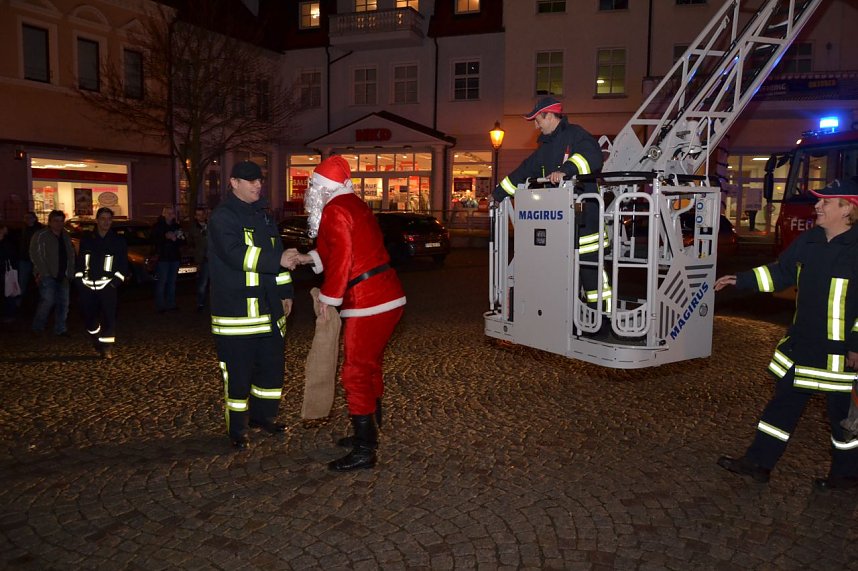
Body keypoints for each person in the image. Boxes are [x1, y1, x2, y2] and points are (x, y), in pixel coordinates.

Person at [715, 176, 858, 491]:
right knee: (781, 408)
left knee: (844, 422)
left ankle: (847, 475)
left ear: (847, 209)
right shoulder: (810, 241)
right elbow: (779, 273)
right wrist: (740, 280)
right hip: (805, 346)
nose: (817, 207)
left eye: (824, 202)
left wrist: (856, 346)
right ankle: (758, 464)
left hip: (841, 358)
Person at [284, 155, 406, 472]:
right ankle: (371, 431)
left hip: (369, 300)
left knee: (354, 371)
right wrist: (306, 257)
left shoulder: (335, 210)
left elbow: (342, 258)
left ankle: (366, 449)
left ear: (322, 189)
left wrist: (329, 299)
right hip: (387, 295)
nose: (310, 191)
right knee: (369, 366)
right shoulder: (353, 204)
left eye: (313, 186)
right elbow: (335, 250)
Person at [491, 96, 610, 317]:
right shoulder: (545, 148)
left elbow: (592, 157)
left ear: (550, 115)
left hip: (586, 223)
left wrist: (567, 170)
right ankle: (567, 318)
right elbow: (523, 172)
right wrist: (498, 194)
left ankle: (601, 318)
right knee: (560, 273)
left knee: (591, 272)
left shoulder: (576, 135)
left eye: (538, 120)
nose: (536, 126)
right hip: (560, 223)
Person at [208, 160, 295, 450]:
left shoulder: (264, 215)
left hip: (269, 311)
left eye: (259, 179)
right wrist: (277, 261)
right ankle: (237, 428)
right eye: (251, 180)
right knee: (238, 375)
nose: (258, 184)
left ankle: (264, 417)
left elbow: (278, 255)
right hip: (237, 314)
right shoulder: (222, 217)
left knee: (271, 371)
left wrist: (286, 292)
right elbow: (235, 255)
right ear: (234, 183)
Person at [73, 207, 128, 359]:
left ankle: (107, 348)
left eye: (109, 219)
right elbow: (80, 261)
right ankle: (95, 336)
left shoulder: (118, 241)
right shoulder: (87, 239)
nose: (106, 222)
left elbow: (123, 265)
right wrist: (79, 281)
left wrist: (114, 283)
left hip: (107, 287)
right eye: (103, 219)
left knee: (109, 318)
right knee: (88, 317)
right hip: (87, 286)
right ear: (97, 220)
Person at [30, 209, 75, 336]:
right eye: (56, 221)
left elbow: (70, 254)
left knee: (64, 303)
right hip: (47, 275)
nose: (59, 224)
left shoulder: (65, 235)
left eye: (61, 221)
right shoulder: (41, 235)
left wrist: (70, 272)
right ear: (50, 222)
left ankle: (60, 328)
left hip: (63, 275)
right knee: (47, 301)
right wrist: (43, 272)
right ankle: (38, 326)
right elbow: (35, 254)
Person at [151, 206, 185, 312]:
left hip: (174, 257)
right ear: (164, 214)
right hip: (163, 258)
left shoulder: (176, 226)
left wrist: (175, 239)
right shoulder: (158, 226)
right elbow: (153, 240)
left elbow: (184, 241)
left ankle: (171, 304)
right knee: (162, 282)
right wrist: (165, 237)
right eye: (168, 213)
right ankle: (160, 305)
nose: (170, 215)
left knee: (172, 282)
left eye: (172, 213)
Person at [17, 211, 43, 306]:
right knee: (22, 281)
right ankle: (18, 303)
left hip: (36, 259)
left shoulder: (39, 229)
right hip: (25, 258)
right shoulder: (23, 229)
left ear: (34, 218)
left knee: (40, 281)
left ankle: (42, 302)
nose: (27, 220)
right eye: (25, 218)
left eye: (29, 218)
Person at [189, 207, 210, 310]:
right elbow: (191, 244)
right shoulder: (194, 228)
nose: (200, 217)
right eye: (198, 215)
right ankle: (200, 303)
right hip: (203, 259)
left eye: (202, 214)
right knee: (203, 283)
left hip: (213, 258)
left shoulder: (210, 225)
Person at [0, 223, 19, 323]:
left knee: (8, 292)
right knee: (7, 292)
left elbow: (10, 256)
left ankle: (10, 313)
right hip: (5, 270)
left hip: (5, 271)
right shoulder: (7, 242)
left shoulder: (7, 243)